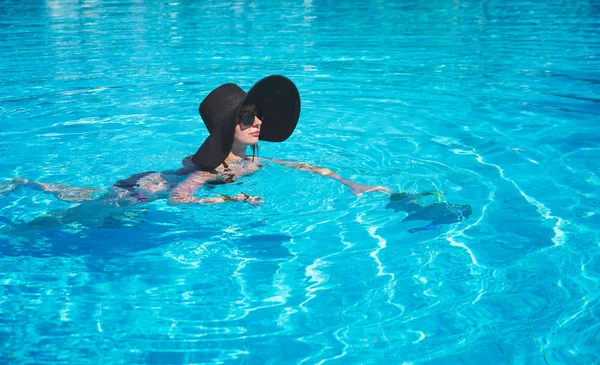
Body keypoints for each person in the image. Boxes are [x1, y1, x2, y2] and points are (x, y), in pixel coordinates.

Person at [0, 75, 388, 229]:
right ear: (228, 128)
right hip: (140, 192)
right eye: (247, 118)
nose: (257, 124)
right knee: (66, 220)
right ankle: (24, 195)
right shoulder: (215, 168)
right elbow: (178, 196)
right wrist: (230, 198)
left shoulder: (251, 160)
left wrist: (350, 182)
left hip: (147, 184)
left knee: (82, 198)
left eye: (259, 116)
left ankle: (26, 182)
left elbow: (302, 165)